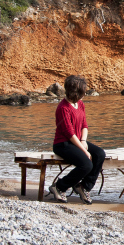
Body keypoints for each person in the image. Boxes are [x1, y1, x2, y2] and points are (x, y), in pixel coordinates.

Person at [48, 75, 105, 204]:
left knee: (100, 154)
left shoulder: (80, 104)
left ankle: (84, 187)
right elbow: (69, 133)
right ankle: (59, 187)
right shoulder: (63, 108)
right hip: (63, 143)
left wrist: (84, 142)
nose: (85, 94)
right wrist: (84, 151)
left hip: (78, 140)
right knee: (86, 165)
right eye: (83, 91)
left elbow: (84, 125)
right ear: (75, 92)